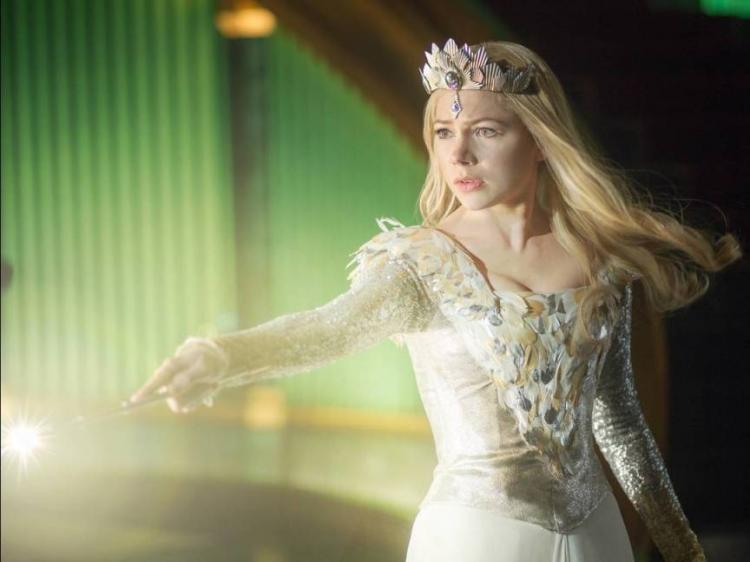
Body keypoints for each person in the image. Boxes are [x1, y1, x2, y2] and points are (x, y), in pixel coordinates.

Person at [130, 39, 740, 562]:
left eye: (486, 132)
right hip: (477, 536)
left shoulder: (599, 260)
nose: (459, 155)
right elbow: (325, 330)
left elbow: (620, 423)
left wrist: (685, 551)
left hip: (597, 536)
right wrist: (221, 355)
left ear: (540, 140)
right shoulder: (422, 265)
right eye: (444, 133)